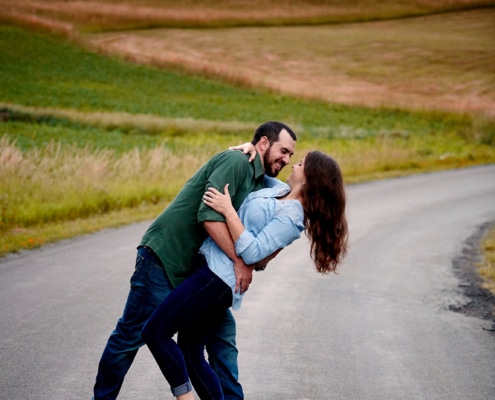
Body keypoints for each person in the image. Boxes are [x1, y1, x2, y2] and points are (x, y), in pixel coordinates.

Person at [92, 121, 297, 400]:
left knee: (222, 340)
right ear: (264, 143)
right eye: (283, 151)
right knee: (130, 336)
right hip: (166, 256)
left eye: (291, 156)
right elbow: (209, 216)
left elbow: (285, 200)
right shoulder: (236, 162)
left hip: (204, 271)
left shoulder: (260, 179)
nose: (286, 160)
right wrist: (240, 261)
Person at [142, 150, 349, 399]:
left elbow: (253, 253)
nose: (293, 164)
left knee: (155, 332)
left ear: (309, 178)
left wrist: (228, 211)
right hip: (211, 269)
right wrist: (249, 148)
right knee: (190, 351)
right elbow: (258, 174)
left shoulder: (292, 218)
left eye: (301, 163)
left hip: (217, 280)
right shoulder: (279, 190)